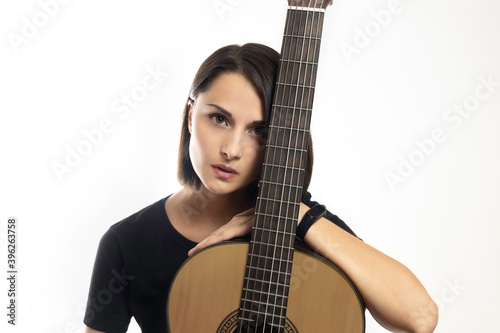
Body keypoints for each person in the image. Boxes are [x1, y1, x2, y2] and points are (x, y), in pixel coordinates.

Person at [83, 43, 438, 333]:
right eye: (219, 119)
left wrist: (294, 214)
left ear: (282, 140)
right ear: (191, 114)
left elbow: (420, 318)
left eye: (260, 131)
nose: (232, 149)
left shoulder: (309, 229)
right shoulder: (127, 243)